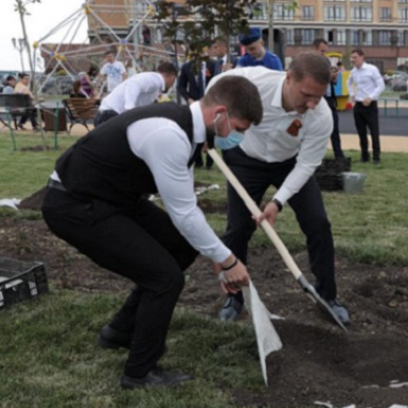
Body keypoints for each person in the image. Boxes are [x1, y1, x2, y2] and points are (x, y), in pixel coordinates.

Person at [41, 76, 263, 389]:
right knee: (164, 279)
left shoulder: (184, 126)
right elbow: (183, 213)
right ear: (220, 113)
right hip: (75, 205)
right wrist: (228, 260)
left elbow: (184, 203)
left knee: (182, 247)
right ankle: (139, 373)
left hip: (110, 198)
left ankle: (118, 333)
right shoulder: (168, 134)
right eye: (239, 128)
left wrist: (214, 253)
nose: (237, 137)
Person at [207, 53, 350, 326]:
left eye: (318, 97)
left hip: (289, 164)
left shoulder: (320, 116)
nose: (311, 103)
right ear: (288, 78)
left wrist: (277, 202)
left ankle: (328, 297)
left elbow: (307, 164)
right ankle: (235, 299)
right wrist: (208, 125)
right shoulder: (254, 83)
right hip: (245, 161)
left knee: (318, 224)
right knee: (237, 229)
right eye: (306, 94)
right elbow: (217, 83)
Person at [95, 61, 179, 126]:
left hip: (111, 115)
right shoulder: (156, 80)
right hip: (111, 116)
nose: (172, 84)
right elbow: (134, 83)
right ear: (173, 77)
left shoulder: (155, 85)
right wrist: (130, 111)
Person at [348, 48, 385, 165]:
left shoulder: (372, 69)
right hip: (359, 105)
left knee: (374, 131)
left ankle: (376, 157)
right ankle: (364, 156)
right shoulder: (353, 71)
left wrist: (371, 97)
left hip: (370, 105)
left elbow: (381, 85)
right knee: (361, 132)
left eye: (355, 57)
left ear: (362, 57)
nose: (353, 60)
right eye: (352, 57)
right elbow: (348, 83)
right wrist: (352, 94)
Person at [312, 37, 344, 159]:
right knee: (316, 129)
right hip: (317, 100)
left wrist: (334, 78)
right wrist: (327, 77)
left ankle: (339, 155)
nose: (324, 54)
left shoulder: (326, 61)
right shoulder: (310, 62)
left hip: (330, 99)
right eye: (322, 51)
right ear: (315, 49)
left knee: (334, 127)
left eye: (325, 51)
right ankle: (315, 156)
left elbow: (329, 79)